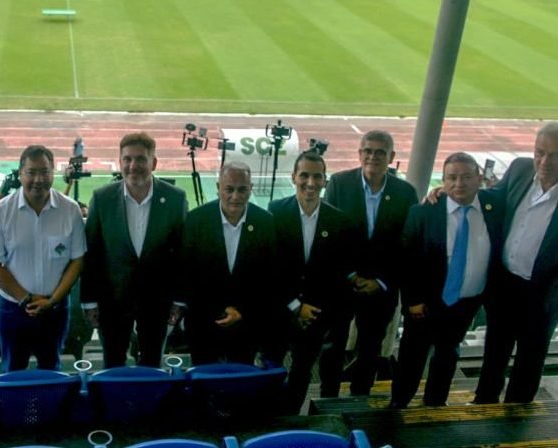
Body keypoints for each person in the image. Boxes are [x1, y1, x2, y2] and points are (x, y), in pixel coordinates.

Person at [474, 122, 558, 404]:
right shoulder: (519, 169)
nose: (544, 161)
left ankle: (516, 413)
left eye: (555, 155)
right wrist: (449, 194)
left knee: (530, 357)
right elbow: (494, 199)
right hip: (504, 285)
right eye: (540, 152)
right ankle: (484, 402)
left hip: (545, 295)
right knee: (495, 350)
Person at [390, 153, 503, 408]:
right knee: (412, 357)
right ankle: (398, 405)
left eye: (466, 177)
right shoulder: (422, 213)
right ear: (443, 181)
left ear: (479, 179)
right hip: (426, 304)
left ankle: (435, 406)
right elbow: (406, 261)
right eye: (451, 178)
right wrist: (413, 301)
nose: (459, 184)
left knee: (447, 355)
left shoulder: (494, 208)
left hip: (466, 304)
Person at [81, 132, 188, 367]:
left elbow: (182, 256)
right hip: (113, 300)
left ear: (154, 163)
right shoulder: (102, 198)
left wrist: (180, 300)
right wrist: (89, 301)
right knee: (113, 364)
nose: (133, 166)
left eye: (140, 159)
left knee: (152, 364)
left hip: (157, 301)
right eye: (127, 159)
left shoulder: (175, 199)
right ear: (120, 163)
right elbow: (92, 254)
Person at [323, 130, 417, 396]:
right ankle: (328, 396)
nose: (372, 157)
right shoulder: (340, 184)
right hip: (343, 284)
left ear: (391, 157)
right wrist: (351, 275)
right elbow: (331, 237)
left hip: (381, 288)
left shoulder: (405, 193)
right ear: (359, 153)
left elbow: (406, 246)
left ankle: (359, 398)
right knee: (333, 344)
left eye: (379, 152)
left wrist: (381, 281)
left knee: (370, 347)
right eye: (367, 151)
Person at [0, 145, 86, 372]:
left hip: (56, 308)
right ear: (20, 174)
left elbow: (77, 261)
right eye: (31, 172)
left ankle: (48, 408)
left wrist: (52, 300)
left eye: (45, 172)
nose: (38, 179)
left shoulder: (70, 210)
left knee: (51, 369)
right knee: (12, 372)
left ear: (53, 172)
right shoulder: (1, 211)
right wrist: (26, 299)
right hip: (12, 309)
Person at [269, 150, 359, 412]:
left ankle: (292, 420)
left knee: (302, 370)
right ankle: (268, 418)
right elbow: (271, 269)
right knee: (273, 366)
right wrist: (295, 305)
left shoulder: (339, 221)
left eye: (316, 176)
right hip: (281, 309)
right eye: (304, 175)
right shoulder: (275, 212)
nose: (310, 182)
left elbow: (337, 275)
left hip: (316, 314)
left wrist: (312, 311)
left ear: (325, 181)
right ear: (293, 177)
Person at [177, 161, 279, 365]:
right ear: (218, 188)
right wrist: (218, 311)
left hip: (246, 324)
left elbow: (269, 279)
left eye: (242, 189)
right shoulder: (196, 220)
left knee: (240, 386)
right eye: (229, 189)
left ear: (251, 189)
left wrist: (242, 311)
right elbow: (187, 274)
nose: (235, 196)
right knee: (203, 384)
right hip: (204, 323)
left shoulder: (266, 223)